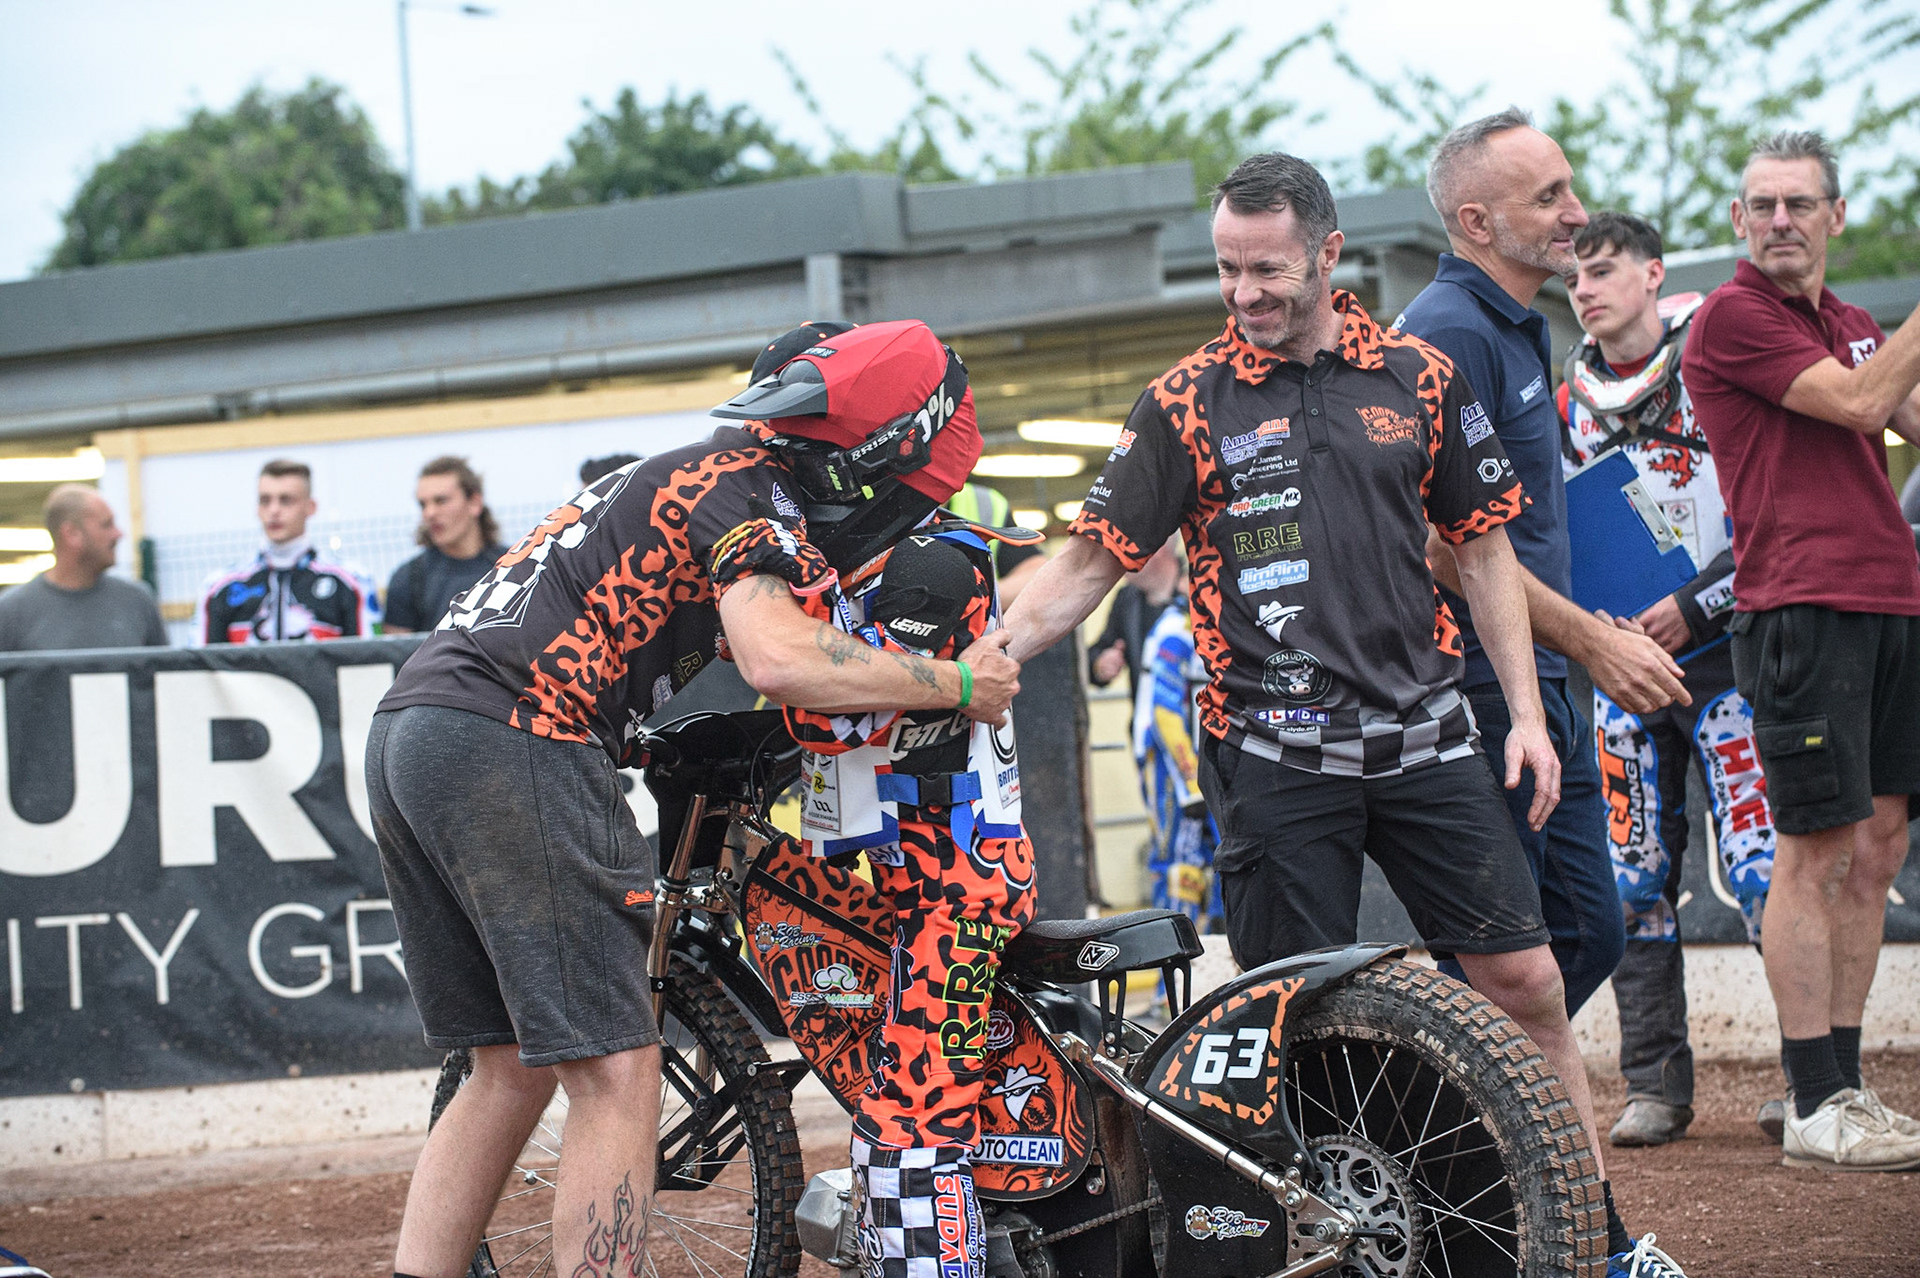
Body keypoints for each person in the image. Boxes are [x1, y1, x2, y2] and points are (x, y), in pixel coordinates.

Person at [1002, 151, 1683, 1276]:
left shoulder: (1417, 377)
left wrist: (1522, 712)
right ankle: (1337, 1249)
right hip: (1275, 761)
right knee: (1295, 1029)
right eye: (1228, 270)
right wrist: (990, 658)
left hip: (1429, 742)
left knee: (1529, 988)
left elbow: (1484, 548)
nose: (1245, 293)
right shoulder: (1186, 403)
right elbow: (1089, 563)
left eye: (1266, 270)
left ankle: (1596, 1246)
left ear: (1327, 256)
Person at [367, 317, 1022, 1278]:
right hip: (518, 733)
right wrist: (960, 684)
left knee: (503, 1067)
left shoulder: (690, 473)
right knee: (619, 1074)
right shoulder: (751, 494)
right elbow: (777, 657)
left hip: (416, 729)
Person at [1396, 107, 1690, 1021]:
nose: (1577, 212)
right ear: (1477, 223)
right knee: (1507, 959)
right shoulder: (1448, 332)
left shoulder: (1518, 325)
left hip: (1547, 679)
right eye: (1550, 196)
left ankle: (1470, 1134)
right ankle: (1448, 1143)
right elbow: (1443, 544)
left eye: (1571, 186)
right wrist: (1592, 647)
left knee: (1585, 934)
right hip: (1482, 686)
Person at [1683, 129, 1920, 1172]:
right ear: (1740, 222)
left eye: (1799, 204)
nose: (1780, 220)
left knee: (1878, 851)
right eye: (1762, 204)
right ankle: (1814, 1096)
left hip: (1888, 600)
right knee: (1814, 851)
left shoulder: (1858, 323)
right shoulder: (1733, 317)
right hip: (1798, 607)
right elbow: (1868, 406)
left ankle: (1847, 1091)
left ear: (1833, 216)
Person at [1558, 212, 1778, 1147]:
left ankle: (1810, 1077)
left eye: (1604, 271)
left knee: (1768, 870)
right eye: (1574, 278)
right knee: (1635, 875)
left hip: (1730, 655)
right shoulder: (1564, 401)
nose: (1585, 290)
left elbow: (1769, 511)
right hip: (1625, 669)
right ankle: (1655, 1083)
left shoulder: (1712, 366)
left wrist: (1696, 605)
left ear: (1654, 275)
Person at [1127, 543, 1221, 931]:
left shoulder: (1206, 626)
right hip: (1172, 766)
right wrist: (1190, 784)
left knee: (1217, 859)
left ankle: (1218, 963)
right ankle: (1168, 979)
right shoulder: (1174, 630)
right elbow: (1164, 715)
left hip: (1205, 764)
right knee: (1178, 861)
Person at [195, 459, 377, 644]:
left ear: (310, 507)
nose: (274, 510)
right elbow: (201, 666)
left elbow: (369, 661)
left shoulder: (353, 581)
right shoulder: (218, 586)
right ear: (257, 508)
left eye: (286, 500)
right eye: (265, 501)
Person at [0, 485, 165, 652]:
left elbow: (163, 674)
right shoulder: (11, 612)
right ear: (71, 534)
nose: (118, 534)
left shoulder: (137, 602)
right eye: (106, 524)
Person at [382, 456, 509, 633]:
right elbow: (398, 653)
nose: (430, 513)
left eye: (441, 501)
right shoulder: (408, 579)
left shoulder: (511, 568)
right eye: (423, 504)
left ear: (474, 503)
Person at [1087, 537, 1184, 699]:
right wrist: (1101, 664)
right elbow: (1102, 648)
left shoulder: (1201, 593)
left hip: (1195, 718)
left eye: (1127, 547)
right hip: (1144, 719)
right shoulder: (1127, 599)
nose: (1118, 557)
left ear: (1158, 549)